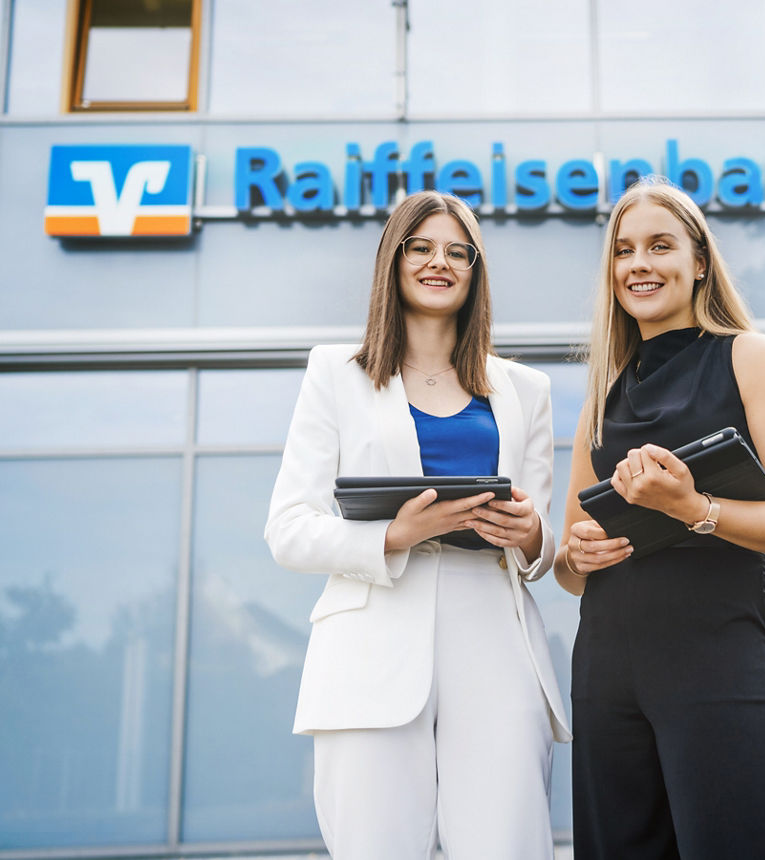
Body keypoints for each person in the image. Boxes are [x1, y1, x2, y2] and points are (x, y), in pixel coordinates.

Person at [264, 190, 569, 859]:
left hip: (495, 640)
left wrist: (530, 534)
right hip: (370, 643)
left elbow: (540, 541)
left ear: (475, 272)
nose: (440, 263)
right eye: (422, 248)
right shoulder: (335, 374)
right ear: (393, 260)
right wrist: (393, 536)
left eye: (459, 252)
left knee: (507, 843)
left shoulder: (526, 390)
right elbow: (288, 527)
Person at [555, 177, 765, 859]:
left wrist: (694, 509)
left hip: (718, 659)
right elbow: (568, 566)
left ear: (700, 260)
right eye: (624, 251)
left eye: (660, 246)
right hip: (608, 669)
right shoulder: (601, 394)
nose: (639, 264)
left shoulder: (750, 357)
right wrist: (578, 556)